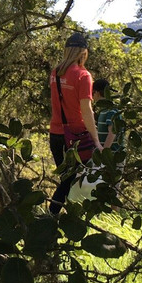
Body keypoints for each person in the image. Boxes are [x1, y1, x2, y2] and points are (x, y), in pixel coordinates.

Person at [49, 31, 103, 213]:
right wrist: (96, 140)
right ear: (83, 52)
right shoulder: (83, 75)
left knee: (66, 179)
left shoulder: (55, 73)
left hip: (56, 135)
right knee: (70, 180)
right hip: (76, 138)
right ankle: (52, 215)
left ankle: (58, 217)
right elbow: (86, 111)